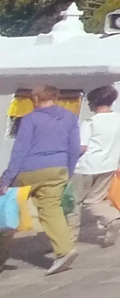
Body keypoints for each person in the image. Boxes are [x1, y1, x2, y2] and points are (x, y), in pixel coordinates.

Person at [0, 85, 80, 275]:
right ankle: (65, 250)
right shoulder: (70, 117)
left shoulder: (30, 119)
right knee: (52, 211)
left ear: (36, 99)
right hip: (58, 169)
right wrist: (68, 172)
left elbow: (20, 150)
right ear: (56, 97)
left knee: (8, 208)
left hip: (28, 170)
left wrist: (7, 178)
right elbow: (74, 148)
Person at [73, 85, 120, 247]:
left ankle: (70, 235)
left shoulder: (90, 122)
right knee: (96, 199)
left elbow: (82, 147)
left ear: (94, 102)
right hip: (109, 165)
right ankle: (112, 218)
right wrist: (118, 164)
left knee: (74, 202)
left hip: (85, 167)